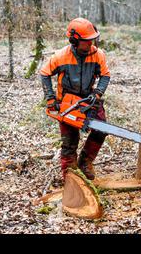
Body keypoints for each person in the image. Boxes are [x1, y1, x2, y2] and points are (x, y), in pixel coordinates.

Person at [40, 18, 110, 180]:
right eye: (87, 41)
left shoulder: (97, 55)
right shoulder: (61, 56)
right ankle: (70, 175)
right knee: (70, 141)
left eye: (92, 39)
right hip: (67, 102)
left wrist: (98, 93)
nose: (91, 43)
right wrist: (50, 98)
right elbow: (44, 74)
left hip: (88, 98)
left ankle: (85, 161)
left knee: (101, 129)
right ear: (75, 40)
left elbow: (105, 75)